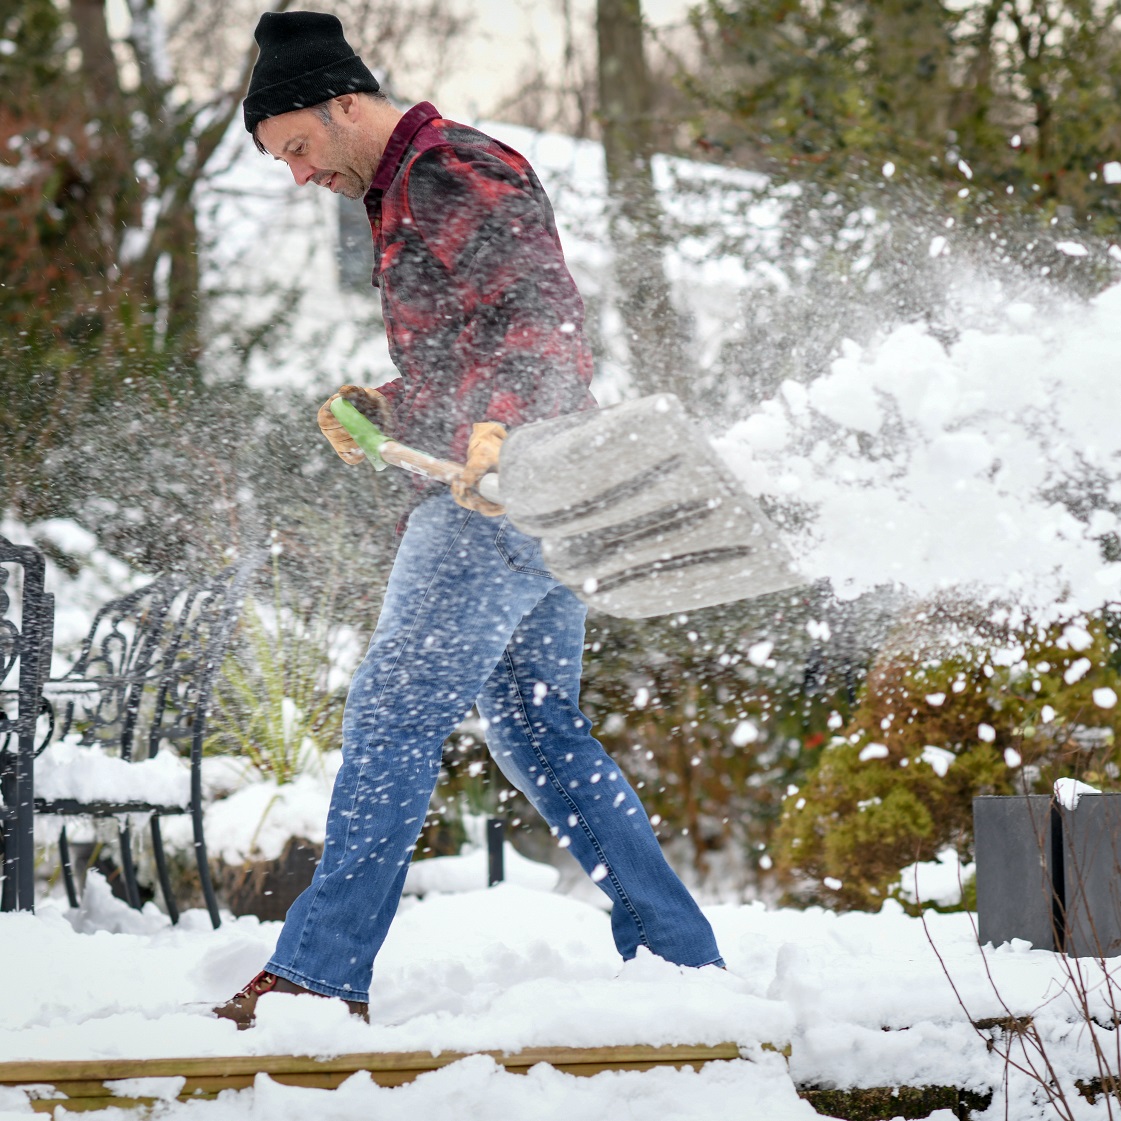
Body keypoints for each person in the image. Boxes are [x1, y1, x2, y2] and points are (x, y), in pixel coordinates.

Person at [216, 10, 723, 1029]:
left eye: (300, 149)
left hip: (499, 495)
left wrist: (496, 427)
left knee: (391, 715)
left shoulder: (448, 166)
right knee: (542, 729)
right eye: (281, 162)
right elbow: (471, 344)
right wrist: (386, 406)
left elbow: (539, 314)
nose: (300, 176)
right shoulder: (405, 189)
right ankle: (680, 960)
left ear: (344, 102)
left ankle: (318, 971)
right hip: (526, 488)